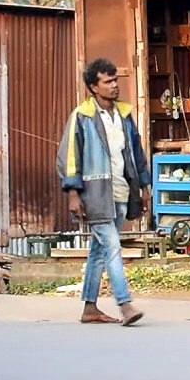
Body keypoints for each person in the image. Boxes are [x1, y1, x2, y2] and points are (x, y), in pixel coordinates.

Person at [56, 58, 151, 327]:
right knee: (112, 248)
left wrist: (144, 187)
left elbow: (136, 153)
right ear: (93, 87)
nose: (114, 86)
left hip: (122, 191)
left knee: (98, 252)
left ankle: (90, 308)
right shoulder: (82, 116)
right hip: (94, 195)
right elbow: (69, 158)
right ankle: (125, 304)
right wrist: (73, 193)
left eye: (115, 80)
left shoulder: (123, 114)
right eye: (107, 81)